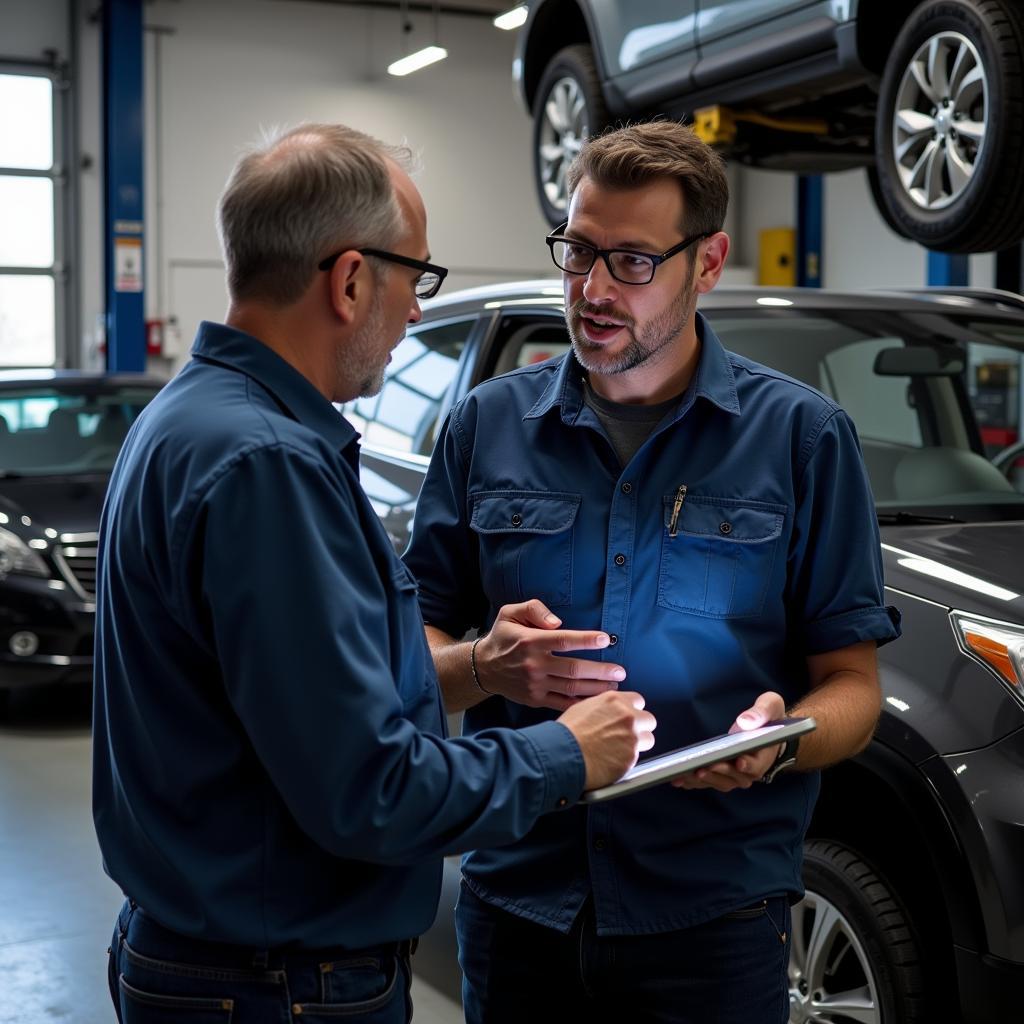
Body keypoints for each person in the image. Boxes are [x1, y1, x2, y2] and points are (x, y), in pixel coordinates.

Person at [92, 122, 657, 1024]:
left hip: (219, 960)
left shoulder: (191, 419)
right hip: (279, 985)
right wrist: (567, 753)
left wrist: (479, 667)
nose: (419, 312)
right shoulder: (264, 465)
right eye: (416, 278)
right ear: (351, 280)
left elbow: (291, 701)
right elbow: (369, 791)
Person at [404, 120, 902, 1024]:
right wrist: (482, 666)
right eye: (577, 252)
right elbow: (412, 647)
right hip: (519, 903)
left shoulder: (801, 441)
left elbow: (852, 686)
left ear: (706, 265)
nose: (590, 290)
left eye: (630, 261)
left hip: (713, 915)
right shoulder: (486, 427)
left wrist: (782, 736)